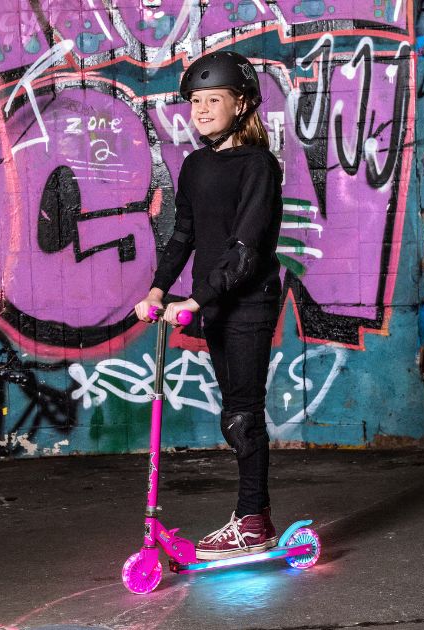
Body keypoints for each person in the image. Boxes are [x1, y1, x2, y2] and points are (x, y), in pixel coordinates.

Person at [133, 50, 284, 561]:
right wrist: (158, 288)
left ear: (241, 104)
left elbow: (246, 250)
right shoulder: (196, 165)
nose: (199, 110)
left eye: (212, 100)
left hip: (247, 303)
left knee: (244, 415)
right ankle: (255, 515)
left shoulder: (259, 166)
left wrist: (195, 299)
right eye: (195, 101)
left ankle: (252, 521)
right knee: (232, 415)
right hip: (213, 303)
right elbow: (184, 234)